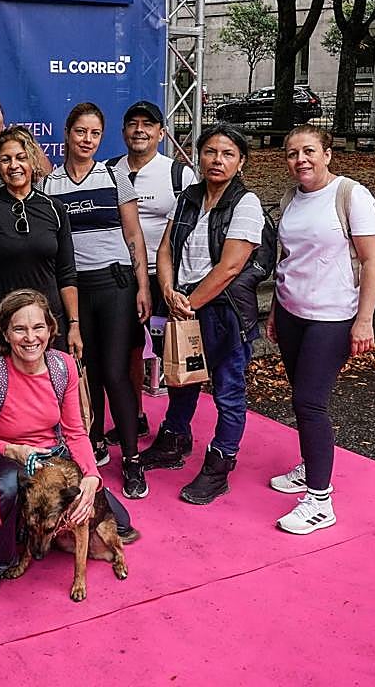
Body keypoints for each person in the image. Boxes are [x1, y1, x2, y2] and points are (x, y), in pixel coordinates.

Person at [0, 290, 135, 601]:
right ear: (4, 331)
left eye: (38, 327)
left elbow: (75, 431)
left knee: (118, 522)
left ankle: (44, 529)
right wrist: (14, 451)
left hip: (52, 454)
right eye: (19, 329)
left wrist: (92, 477)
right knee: (10, 487)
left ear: (51, 329)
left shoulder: (62, 366)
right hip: (0, 450)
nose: (30, 338)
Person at [266, 125, 375, 534]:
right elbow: (289, 258)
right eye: (292, 153)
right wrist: (276, 310)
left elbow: (373, 262)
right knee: (301, 398)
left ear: (328, 154)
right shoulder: (290, 199)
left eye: (309, 151)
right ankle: (310, 465)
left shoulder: (352, 196)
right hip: (291, 313)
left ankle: (319, 500)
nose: (301, 159)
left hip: (333, 317)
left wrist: (364, 319)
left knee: (309, 401)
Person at [143, 125, 266, 505]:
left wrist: (190, 302)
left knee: (228, 391)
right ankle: (174, 440)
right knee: (182, 379)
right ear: (199, 156)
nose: (217, 160)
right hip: (183, 303)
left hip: (222, 311)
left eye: (228, 153)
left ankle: (220, 463)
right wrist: (167, 291)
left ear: (241, 161)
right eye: (210, 151)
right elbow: (165, 249)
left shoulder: (246, 203)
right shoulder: (189, 197)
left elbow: (230, 267)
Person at [43, 102, 151, 499]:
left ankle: (133, 460)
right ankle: (95, 444)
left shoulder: (115, 175)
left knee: (114, 371)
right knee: (82, 373)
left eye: (95, 134)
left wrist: (142, 287)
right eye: (80, 132)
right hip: (72, 288)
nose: (87, 140)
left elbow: (134, 234)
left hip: (116, 284)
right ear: (67, 133)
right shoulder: (50, 183)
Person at [111, 101, 198, 456]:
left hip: (165, 281)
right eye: (133, 123)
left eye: (148, 124)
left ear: (161, 133)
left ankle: (178, 429)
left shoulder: (180, 174)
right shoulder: (109, 172)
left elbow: (193, 227)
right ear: (123, 132)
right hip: (121, 277)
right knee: (127, 352)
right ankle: (135, 416)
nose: (140, 130)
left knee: (171, 351)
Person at [0, 127, 80, 361]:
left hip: (48, 325)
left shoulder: (55, 208)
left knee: (49, 395)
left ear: (32, 160)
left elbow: (67, 274)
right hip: (0, 325)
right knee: (2, 395)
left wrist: (74, 325)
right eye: (6, 159)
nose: (14, 165)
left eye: (21, 158)